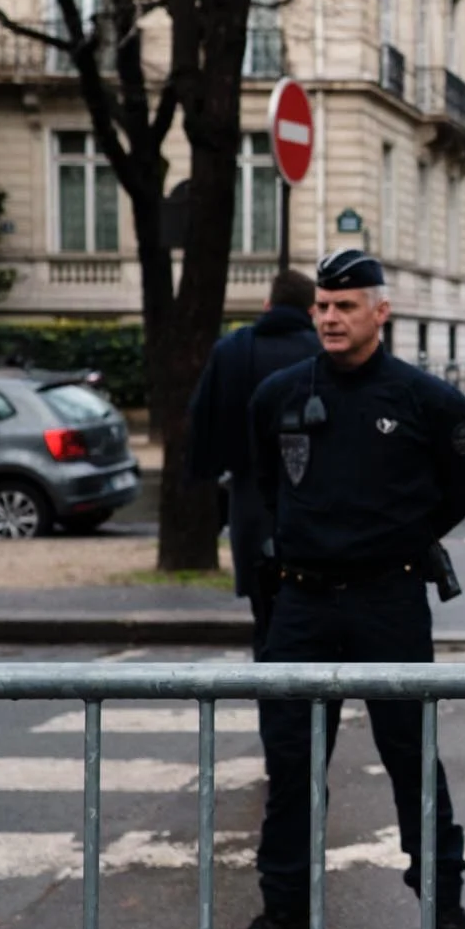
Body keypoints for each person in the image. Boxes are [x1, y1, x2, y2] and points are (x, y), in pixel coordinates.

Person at [217, 250, 465, 929]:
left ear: (381, 311)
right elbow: (267, 486)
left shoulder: (428, 402)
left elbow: (459, 495)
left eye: (347, 305)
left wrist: (393, 535)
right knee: (292, 765)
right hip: (301, 602)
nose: (332, 318)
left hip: (389, 599)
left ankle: (445, 908)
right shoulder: (278, 394)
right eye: (324, 306)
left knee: (412, 761)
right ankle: (284, 914)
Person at [186, 269, 321, 655]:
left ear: (267, 305)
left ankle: (275, 711)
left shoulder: (231, 350)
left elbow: (203, 429)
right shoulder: (323, 355)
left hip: (251, 508)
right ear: (312, 310)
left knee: (267, 627)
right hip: (313, 514)